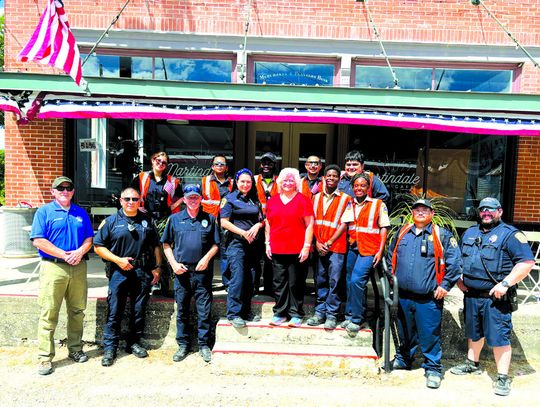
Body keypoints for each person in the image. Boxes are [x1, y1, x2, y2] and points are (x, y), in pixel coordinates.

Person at [450, 197, 535, 396]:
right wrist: (459, 280)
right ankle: (472, 363)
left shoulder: (511, 235)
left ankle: (503, 377)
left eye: (490, 210)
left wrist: (505, 283)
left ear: (499, 211)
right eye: (482, 210)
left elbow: (526, 263)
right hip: (471, 295)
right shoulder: (470, 233)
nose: (486, 213)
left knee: (499, 338)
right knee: (474, 332)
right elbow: (460, 259)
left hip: (496, 299)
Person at [387, 199, 462, 389]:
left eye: (424, 210)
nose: (420, 212)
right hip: (402, 295)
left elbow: (454, 263)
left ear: (432, 214)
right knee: (404, 332)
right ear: (412, 213)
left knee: (429, 335)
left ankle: (433, 369)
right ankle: (404, 360)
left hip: (429, 298)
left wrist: (445, 285)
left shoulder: (441, 235)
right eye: (417, 209)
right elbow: (390, 255)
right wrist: (391, 277)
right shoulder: (402, 232)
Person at [30, 176, 94, 376]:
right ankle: (44, 357)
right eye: (61, 188)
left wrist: (79, 252)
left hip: (78, 267)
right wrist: (64, 254)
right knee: (49, 312)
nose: (65, 191)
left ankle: (75, 349)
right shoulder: (44, 212)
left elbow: (89, 238)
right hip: (53, 267)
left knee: (77, 311)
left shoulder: (81, 213)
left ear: (73, 191)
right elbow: (38, 240)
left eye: (68, 188)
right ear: (53, 191)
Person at [93, 187, 162, 367]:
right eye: (127, 199)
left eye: (135, 199)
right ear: (121, 201)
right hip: (119, 271)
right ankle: (110, 348)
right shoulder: (111, 221)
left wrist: (157, 267)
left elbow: (156, 245)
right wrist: (118, 260)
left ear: (140, 201)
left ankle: (133, 343)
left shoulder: (147, 221)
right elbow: (98, 246)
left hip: (142, 271)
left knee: (138, 310)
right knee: (114, 310)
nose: (131, 202)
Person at [161, 184, 220, 363]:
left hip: (202, 272)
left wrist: (206, 259)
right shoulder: (175, 219)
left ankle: (204, 344)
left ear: (200, 199)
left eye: (196, 197)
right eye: (189, 197)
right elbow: (166, 245)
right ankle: (183, 345)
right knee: (183, 310)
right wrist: (173, 264)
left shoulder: (209, 219)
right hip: (182, 271)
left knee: (204, 310)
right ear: (184, 200)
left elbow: (216, 244)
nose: (193, 200)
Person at [340, 172, 389, 334]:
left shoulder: (378, 204)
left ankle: (357, 318)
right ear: (352, 188)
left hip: (369, 249)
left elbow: (384, 228)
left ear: (368, 188)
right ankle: (350, 314)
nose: (359, 188)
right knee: (348, 282)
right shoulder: (350, 203)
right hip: (353, 247)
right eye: (356, 186)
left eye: (362, 185)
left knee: (356, 281)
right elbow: (345, 225)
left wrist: (380, 250)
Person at [265, 168, 314, 327]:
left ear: (297, 183)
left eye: (291, 180)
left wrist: (306, 246)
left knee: (295, 283)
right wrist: (267, 243)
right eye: (284, 180)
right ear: (279, 182)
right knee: (279, 283)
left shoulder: (304, 200)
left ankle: (296, 314)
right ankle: (280, 312)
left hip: (297, 249)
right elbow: (268, 223)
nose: (287, 183)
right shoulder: (272, 201)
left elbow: (309, 224)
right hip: (277, 248)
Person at [131, 151, 183, 295]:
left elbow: (182, 197)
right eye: (157, 160)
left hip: (164, 219)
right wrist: (137, 208)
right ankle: (147, 283)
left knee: (165, 250)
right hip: (144, 218)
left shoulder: (172, 181)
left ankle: (165, 285)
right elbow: (130, 194)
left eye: (164, 162)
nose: (160, 164)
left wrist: (171, 207)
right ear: (152, 161)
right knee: (146, 250)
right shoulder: (142, 178)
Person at [306, 165, 351, 330]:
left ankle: (332, 314)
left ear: (339, 179)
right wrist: (317, 242)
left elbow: (344, 224)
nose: (331, 178)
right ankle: (319, 312)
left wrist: (329, 242)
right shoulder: (315, 197)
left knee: (335, 280)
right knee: (320, 279)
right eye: (329, 175)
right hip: (319, 246)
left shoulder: (346, 199)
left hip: (336, 247)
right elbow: (312, 221)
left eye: (335, 176)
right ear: (324, 178)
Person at [220, 169, 265, 328]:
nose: (245, 184)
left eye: (248, 182)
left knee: (250, 279)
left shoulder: (254, 200)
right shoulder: (229, 199)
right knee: (237, 278)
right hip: (236, 244)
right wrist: (243, 233)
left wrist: (258, 225)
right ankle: (233, 314)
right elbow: (224, 222)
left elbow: (262, 220)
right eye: (242, 181)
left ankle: (245, 311)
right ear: (236, 182)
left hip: (253, 245)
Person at [201, 155, 233, 289]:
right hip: (209, 222)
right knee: (207, 252)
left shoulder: (233, 183)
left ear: (226, 167)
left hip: (226, 223)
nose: (219, 166)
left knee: (225, 253)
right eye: (217, 164)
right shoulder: (204, 181)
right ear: (212, 166)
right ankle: (206, 283)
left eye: (222, 164)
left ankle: (227, 284)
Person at [254, 152, 279, 294]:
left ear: (274, 165)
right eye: (264, 163)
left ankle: (269, 288)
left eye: (270, 163)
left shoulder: (280, 181)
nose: (266, 166)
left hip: (274, 226)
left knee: (271, 258)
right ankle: (255, 286)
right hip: (257, 225)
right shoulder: (253, 179)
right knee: (255, 258)